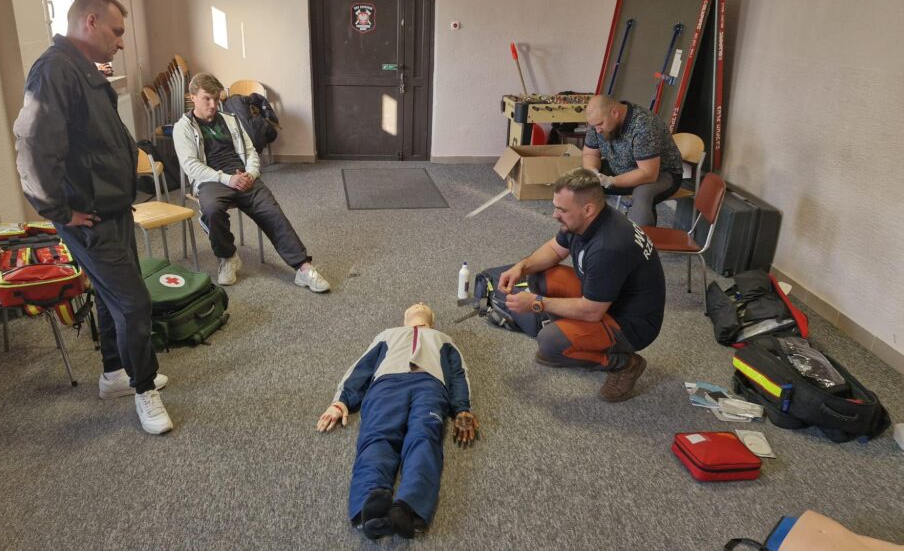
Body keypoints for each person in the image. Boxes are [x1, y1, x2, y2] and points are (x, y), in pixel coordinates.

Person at [14, 0, 172, 435]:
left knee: (109, 296)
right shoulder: (53, 71)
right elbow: (33, 147)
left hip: (111, 207)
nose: (121, 42)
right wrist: (60, 212)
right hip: (87, 216)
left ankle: (114, 374)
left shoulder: (82, 68)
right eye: (116, 31)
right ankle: (144, 389)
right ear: (90, 22)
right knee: (135, 303)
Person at [498, 168, 666, 402]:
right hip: (608, 298)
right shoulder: (586, 221)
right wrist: (521, 267)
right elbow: (555, 249)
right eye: (555, 207)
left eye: (562, 210)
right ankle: (577, 339)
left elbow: (592, 311)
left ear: (588, 209)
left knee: (550, 342)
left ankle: (624, 364)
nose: (554, 215)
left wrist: (537, 303)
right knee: (538, 275)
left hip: (631, 324)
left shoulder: (608, 247)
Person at [316, 303, 478, 540]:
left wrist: (462, 409)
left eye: (424, 305)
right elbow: (362, 367)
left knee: (424, 438)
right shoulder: (387, 334)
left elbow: (458, 374)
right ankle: (368, 507)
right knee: (377, 437)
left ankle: (409, 508)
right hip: (386, 385)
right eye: (416, 304)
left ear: (432, 319)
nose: (420, 303)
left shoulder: (444, 338)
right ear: (404, 318)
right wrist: (341, 401)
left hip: (430, 387)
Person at [173, 73, 330, 292]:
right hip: (212, 179)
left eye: (216, 99)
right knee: (211, 210)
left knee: (272, 213)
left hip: (243, 176)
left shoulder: (230, 119)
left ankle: (303, 268)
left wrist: (252, 174)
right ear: (192, 97)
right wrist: (228, 179)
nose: (213, 105)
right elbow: (191, 166)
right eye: (207, 99)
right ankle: (228, 257)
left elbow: (250, 151)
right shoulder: (183, 128)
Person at [581, 94, 684, 226]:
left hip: (661, 173)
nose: (597, 130)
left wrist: (611, 181)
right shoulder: (597, 122)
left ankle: (641, 238)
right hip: (621, 167)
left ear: (615, 113)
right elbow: (590, 154)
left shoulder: (644, 125)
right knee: (579, 180)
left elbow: (648, 174)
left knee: (642, 195)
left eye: (600, 124)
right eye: (594, 126)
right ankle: (588, 233)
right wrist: (592, 171)